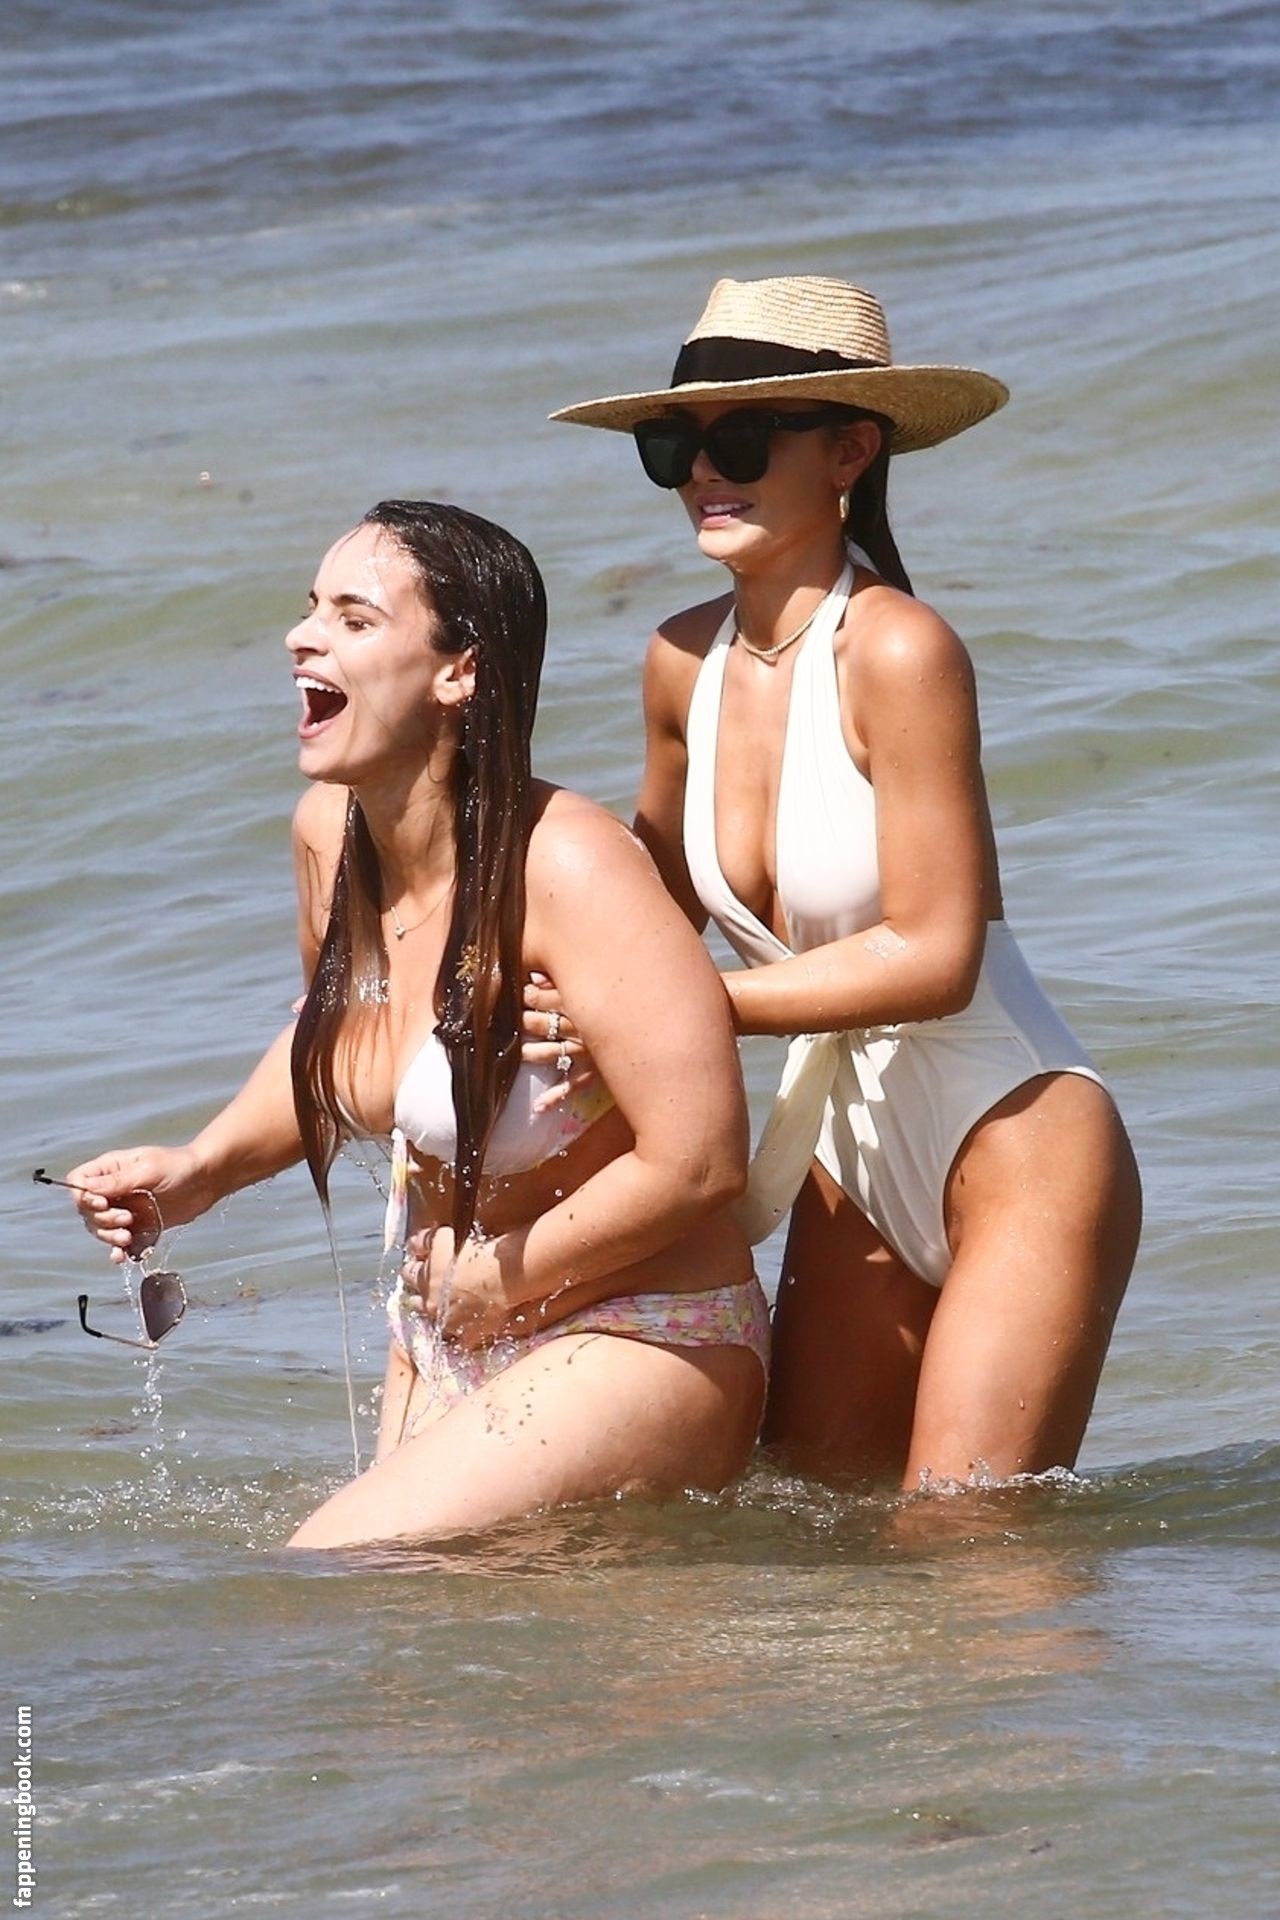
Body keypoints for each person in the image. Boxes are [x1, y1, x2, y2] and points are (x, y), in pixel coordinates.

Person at [534, 273, 1142, 1489]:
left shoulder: (900, 650)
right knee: (817, 1534)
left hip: (1014, 1133)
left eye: (743, 440)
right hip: (843, 1147)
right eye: (675, 447)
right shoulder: (678, 661)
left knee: (965, 1544)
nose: (704, 475)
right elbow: (637, 924)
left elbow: (934, 958)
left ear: (850, 451)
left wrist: (675, 1011)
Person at [64, 500, 768, 1548]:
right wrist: (201, 1170)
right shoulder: (328, 837)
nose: (302, 637)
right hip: (451, 1333)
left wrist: (501, 1273)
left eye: (353, 620)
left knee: (336, 1562)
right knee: (407, 1646)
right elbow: (349, 1039)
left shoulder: (569, 865)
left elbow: (700, 1161)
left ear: (458, 672)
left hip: (640, 1332)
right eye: (312, 610)